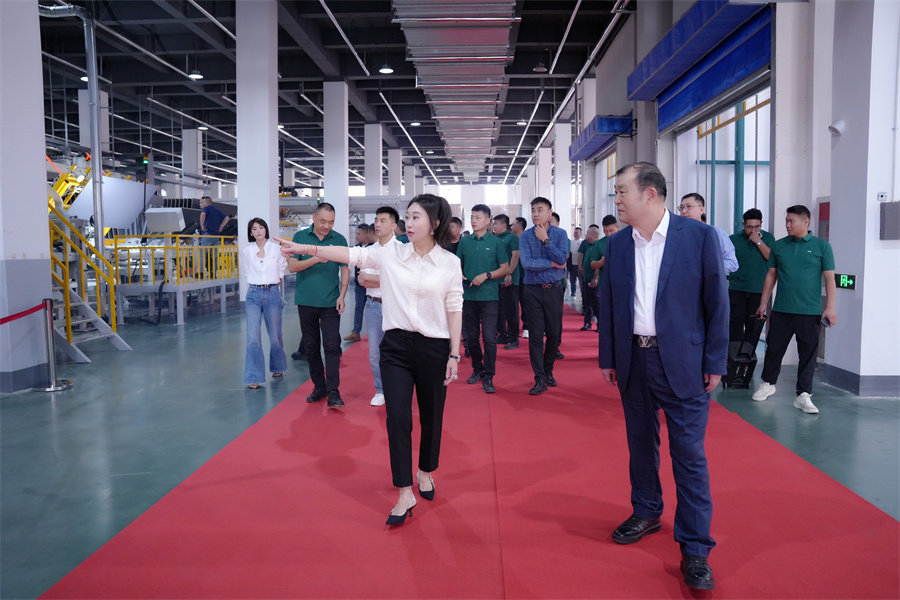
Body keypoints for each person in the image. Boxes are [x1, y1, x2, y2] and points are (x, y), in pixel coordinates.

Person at [275, 194, 463, 526]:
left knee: (432, 416)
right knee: (398, 418)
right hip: (396, 347)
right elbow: (352, 254)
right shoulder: (392, 253)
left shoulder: (449, 263)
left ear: (435, 223)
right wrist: (305, 248)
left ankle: (425, 471)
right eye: (407, 216)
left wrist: (454, 353)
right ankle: (404, 491)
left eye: (416, 217)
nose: (408, 222)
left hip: (434, 347)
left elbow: (454, 308)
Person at [598, 162, 728, 591]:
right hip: (633, 361)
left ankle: (695, 548)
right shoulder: (618, 244)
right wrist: (608, 356)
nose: (616, 199)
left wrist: (715, 361)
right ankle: (647, 511)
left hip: (684, 363)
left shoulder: (699, 237)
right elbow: (611, 304)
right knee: (640, 444)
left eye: (622, 191)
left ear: (649, 194)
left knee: (688, 456)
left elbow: (717, 302)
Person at [752, 205, 837, 414]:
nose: (788, 225)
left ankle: (803, 395)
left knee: (807, 354)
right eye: (786, 221)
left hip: (810, 311)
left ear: (806, 222)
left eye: (792, 221)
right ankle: (768, 383)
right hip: (782, 309)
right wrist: (763, 303)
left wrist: (830, 307)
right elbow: (771, 275)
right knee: (774, 349)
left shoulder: (822, 246)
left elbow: (829, 278)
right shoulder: (779, 246)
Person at [288, 203, 349, 408]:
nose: (327, 226)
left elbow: (345, 270)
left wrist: (342, 295)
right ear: (313, 217)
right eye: (323, 221)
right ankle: (319, 387)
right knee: (311, 347)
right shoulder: (300, 237)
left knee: (332, 346)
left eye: (331, 222)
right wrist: (316, 258)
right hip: (306, 301)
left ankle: (333, 391)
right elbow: (293, 267)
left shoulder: (339, 239)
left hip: (331, 302)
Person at [457, 204, 510, 394]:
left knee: (489, 338)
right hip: (469, 296)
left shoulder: (497, 243)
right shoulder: (465, 242)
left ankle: (489, 375)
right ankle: (477, 369)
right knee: (471, 338)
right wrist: (459, 274)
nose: (474, 220)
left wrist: (487, 275)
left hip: (489, 297)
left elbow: (505, 268)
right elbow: (457, 264)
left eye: (478, 217)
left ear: (488, 221)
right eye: (472, 217)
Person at [518, 197, 568, 395]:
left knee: (554, 334)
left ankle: (548, 371)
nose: (535, 214)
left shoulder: (560, 234)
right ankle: (539, 378)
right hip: (532, 290)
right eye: (533, 210)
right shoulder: (525, 236)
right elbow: (527, 263)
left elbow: (562, 259)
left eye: (540, 210)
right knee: (536, 336)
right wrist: (551, 264)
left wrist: (546, 241)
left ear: (549, 213)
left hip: (554, 289)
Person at [357, 207, 400, 407]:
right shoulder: (368, 251)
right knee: (375, 353)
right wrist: (382, 278)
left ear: (394, 225)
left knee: (397, 351)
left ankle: (398, 388)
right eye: (376, 220)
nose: (378, 224)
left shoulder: (401, 250)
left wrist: (373, 277)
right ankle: (381, 389)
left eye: (383, 220)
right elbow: (362, 280)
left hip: (396, 306)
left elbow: (399, 281)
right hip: (373, 305)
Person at [241, 218, 288, 389]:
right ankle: (253, 376)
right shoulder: (247, 251)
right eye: (254, 229)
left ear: (265, 229)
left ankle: (278, 366)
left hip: (272, 293)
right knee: (253, 337)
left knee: (275, 335)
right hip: (253, 294)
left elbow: (282, 267)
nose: (258, 231)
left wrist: (276, 283)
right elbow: (246, 269)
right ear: (251, 233)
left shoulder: (276, 249)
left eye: (261, 227)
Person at [728, 208, 777, 341]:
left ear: (761, 224)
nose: (753, 231)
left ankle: (749, 354)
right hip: (736, 290)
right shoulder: (733, 239)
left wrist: (758, 241)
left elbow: (771, 258)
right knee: (734, 325)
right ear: (743, 224)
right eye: (749, 227)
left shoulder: (768, 238)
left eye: (757, 227)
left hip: (758, 290)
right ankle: (734, 353)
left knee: (753, 327)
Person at [678, 193, 739, 273]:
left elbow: (732, 263)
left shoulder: (717, 233)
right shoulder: (676, 233)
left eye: (688, 206)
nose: (683, 211)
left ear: (701, 209)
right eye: (681, 207)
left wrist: (708, 267)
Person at [492, 214, 520, 350]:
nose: (493, 226)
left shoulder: (512, 238)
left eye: (496, 224)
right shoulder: (496, 239)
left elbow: (516, 255)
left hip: (509, 280)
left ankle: (513, 338)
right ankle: (502, 334)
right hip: (496, 280)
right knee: (498, 310)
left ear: (504, 225)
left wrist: (509, 273)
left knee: (511, 310)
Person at [586, 215, 619, 311]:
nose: (608, 234)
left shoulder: (626, 240)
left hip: (622, 285)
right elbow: (592, 264)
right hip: (605, 285)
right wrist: (601, 262)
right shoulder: (599, 244)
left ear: (617, 227)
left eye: (611, 230)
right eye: (605, 231)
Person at [345, 224, 369, 342]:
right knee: (358, 308)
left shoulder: (373, 248)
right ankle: (356, 332)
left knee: (374, 309)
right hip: (359, 286)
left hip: (372, 285)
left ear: (366, 235)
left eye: (358, 234)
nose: (356, 236)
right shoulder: (356, 248)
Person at [199, 196, 230, 277]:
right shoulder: (217, 211)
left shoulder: (206, 209)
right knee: (215, 255)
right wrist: (221, 226)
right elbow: (226, 218)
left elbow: (203, 214)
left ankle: (201, 272)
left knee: (202, 253)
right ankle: (213, 273)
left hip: (207, 234)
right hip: (216, 236)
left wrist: (202, 225)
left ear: (207, 203)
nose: (200, 204)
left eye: (201, 202)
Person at [578, 224, 601, 331]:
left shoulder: (598, 246)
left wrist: (595, 278)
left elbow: (599, 264)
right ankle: (587, 323)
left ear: (592, 234)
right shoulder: (589, 246)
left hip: (593, 280)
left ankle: (601, 324)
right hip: (586, 278)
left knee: (596, 303)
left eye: (587, 233)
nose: (585, 234)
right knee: (586, 302)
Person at [512, 216, 529, 339]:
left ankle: (526, 326)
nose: (511, 227)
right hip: (514, 277)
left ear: (519, 227)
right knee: (513, 304)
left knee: (525, 303)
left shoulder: (527, 240)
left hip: (525, 277)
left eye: (513, 224)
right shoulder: (512, 239)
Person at [568, 227, 583, 297]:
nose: (576, 234)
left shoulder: (582, 242)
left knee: (581, 280)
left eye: (577, 232)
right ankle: (572, 293)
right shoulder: (571, 242)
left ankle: (583, 293)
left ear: (581, 233)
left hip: (579, 265)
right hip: (572, 264)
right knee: (572, 280)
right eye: (575, 232)